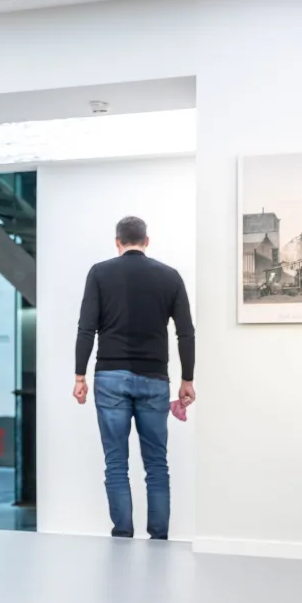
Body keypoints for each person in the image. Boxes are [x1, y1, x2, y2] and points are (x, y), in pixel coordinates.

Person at [73, 216, 195, 541]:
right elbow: (186, 332)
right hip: (155, 378)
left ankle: (123, 536)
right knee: (157, 465)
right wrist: (187, 379)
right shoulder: (170, 277)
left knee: (116, 463)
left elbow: (86, 328)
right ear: (147, 241)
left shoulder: (99, 273)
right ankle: (158, 540)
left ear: (117, 242)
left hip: (110, 377)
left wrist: (79, 375)